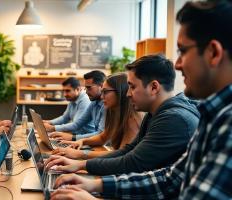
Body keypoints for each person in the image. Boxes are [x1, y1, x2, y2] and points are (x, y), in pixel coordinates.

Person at [51, 1, 232, 199]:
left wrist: (90, 188)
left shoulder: (195, 120)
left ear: (214, 53)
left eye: (182, 51)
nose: (178, 64)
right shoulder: (209, 115)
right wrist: (98, 184)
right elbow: (168, 179)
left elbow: (134, 162)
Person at [45, 54, 199, 176]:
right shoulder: (156, 114)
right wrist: (80, 160)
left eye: (132, 86)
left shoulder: (173, 118)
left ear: (154, 87)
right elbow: (128, 152)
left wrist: (81, 163)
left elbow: (132, 163)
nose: (127, 93)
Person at [52, 73, 142, 160]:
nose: (102, 97)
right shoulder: (114, 112)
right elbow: (103, 137)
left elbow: (121, 155)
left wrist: (80, 154)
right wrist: (82, 141)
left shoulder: (132, 119)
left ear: (120, 92)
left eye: (105, 92)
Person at [45, 70, 106, 141]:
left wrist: (72, 137)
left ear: (102, 86)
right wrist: (50, 124)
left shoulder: (103, 104)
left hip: (89, 139)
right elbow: (75, 123)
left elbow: (100, 134)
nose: (86, 91)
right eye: (85, 88)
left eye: (89, 87)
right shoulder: (93, 102)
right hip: (86, 139)